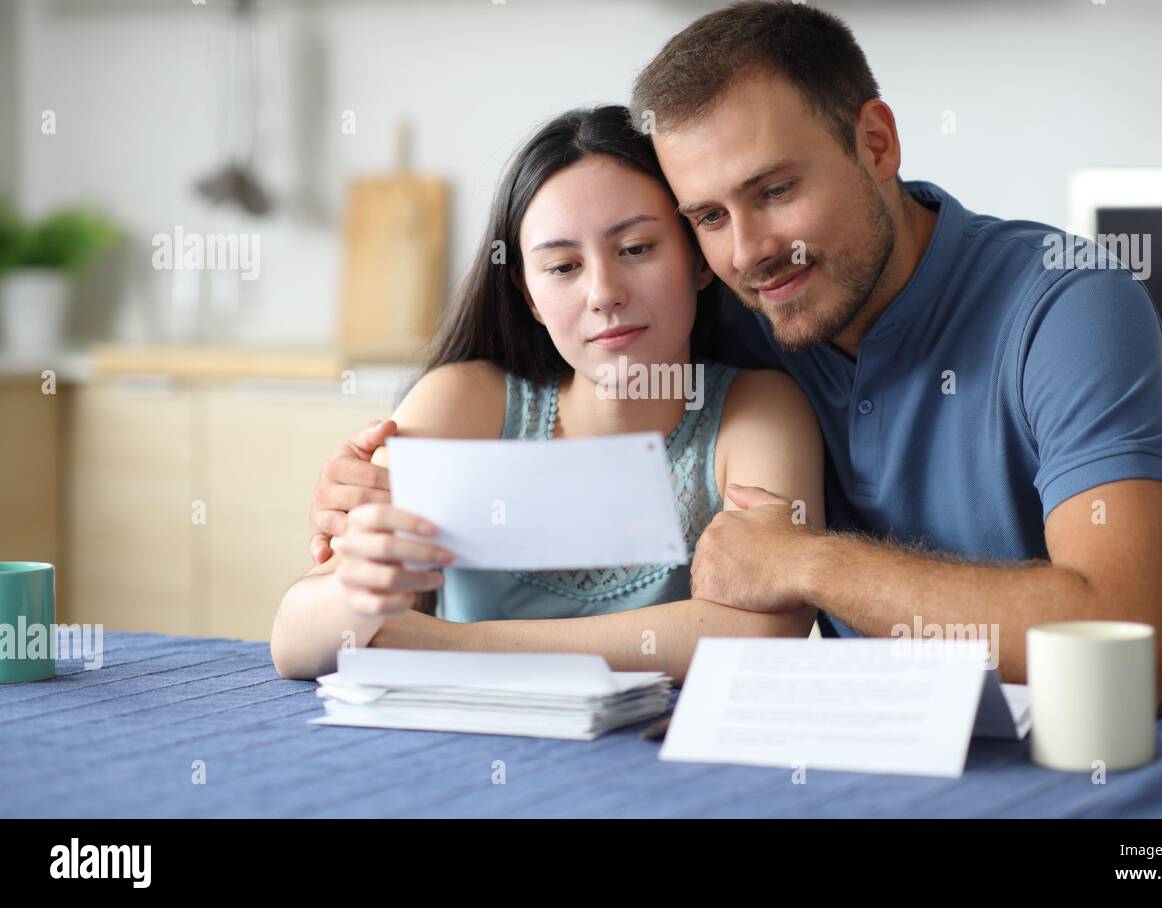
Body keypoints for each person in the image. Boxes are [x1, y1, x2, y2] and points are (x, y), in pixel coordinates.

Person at [309, 0, 1162, 717]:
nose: (748, 252)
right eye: (707, 217)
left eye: (775, 191)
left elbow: (1125, 638)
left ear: (876, 143)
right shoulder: (736, 317)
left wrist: (807, 561)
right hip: (862, 767)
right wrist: (367, 497)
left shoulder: (1068, 305)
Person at [271, 104, 824, 682]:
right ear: (529, 295)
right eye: (562, 266)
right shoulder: (462, 404)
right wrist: (356, 595)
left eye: (636, 249)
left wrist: (453, 647)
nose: (603, 293)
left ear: (698, 261)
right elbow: (294, 643)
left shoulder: (758, 411)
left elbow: (763, 631)